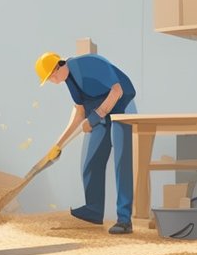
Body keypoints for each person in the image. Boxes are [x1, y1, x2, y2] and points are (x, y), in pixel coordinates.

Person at [36, 51, 137, 235]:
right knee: (91, 162)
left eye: (50, 77)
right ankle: (94, 210)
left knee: (121, 163)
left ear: (56, 68)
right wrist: (58, 144)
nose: (51, 81)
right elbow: (80, 113)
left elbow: (117, 91)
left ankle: (124, 220)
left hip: (122, 105)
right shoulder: (70, 81)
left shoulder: (88, 64)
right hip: (100, 110)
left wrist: (97, 116)